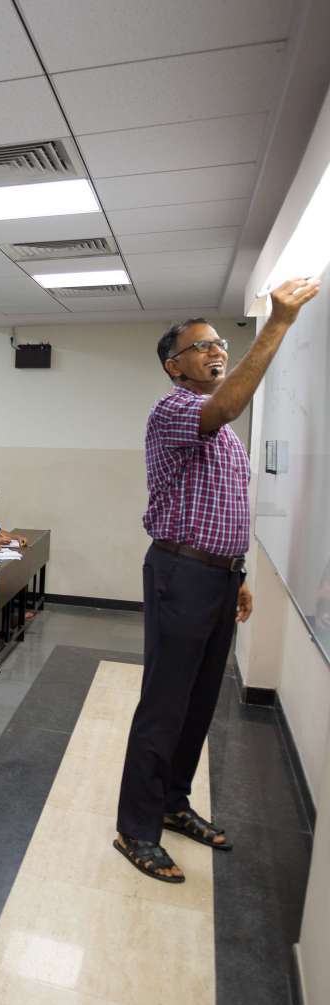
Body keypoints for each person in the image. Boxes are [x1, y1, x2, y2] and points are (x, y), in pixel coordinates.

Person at [114, 280, 318, 883]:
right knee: (164, 705)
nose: (217, 351)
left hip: (218, 577)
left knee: (199, 702)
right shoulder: (175, 409)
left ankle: (172, 803)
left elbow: (226, 505)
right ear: (174, 366)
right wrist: (278, 323)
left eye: (220, 343)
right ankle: (136, 828)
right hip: (180, 574)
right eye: (202, 346)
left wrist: (240, 570)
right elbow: (228, 404)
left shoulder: (224, 435)